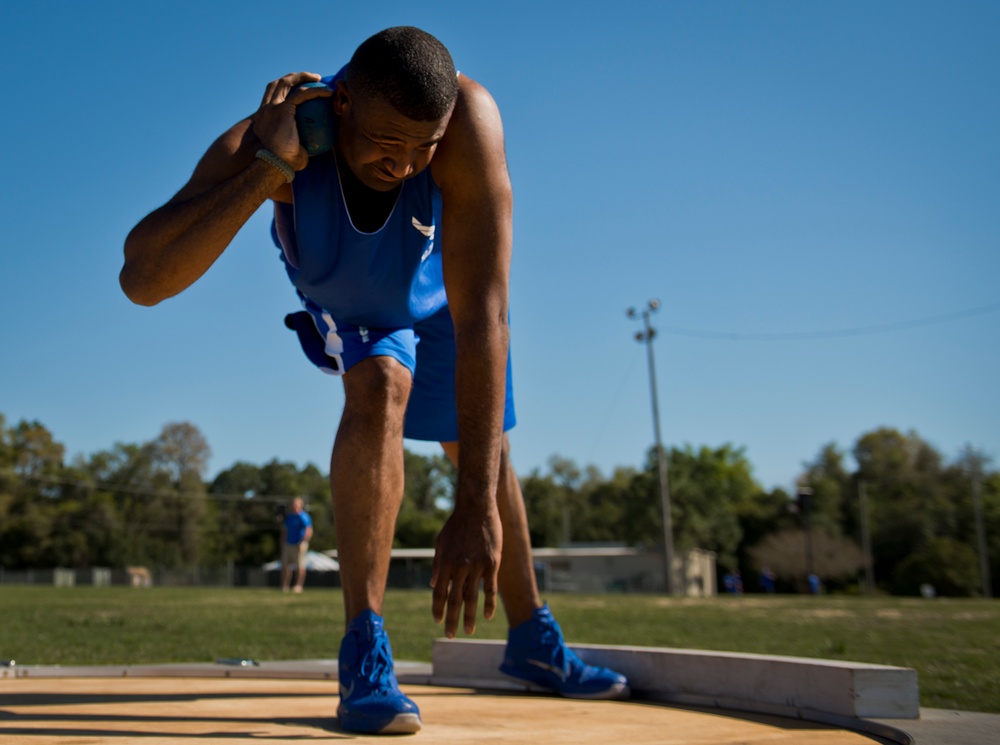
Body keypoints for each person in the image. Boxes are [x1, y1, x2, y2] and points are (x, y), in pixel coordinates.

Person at [120, 26, 628, 735]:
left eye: (424, 147)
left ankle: (533, 640)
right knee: (380, 381)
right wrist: (269, 167)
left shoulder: (468, 121)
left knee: (483, 453)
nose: (406, 162)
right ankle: (366, 649)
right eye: (389, 141)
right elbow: (142, 279)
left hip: (444, 293)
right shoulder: (286, 125)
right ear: (345, 103)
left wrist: (474, 499)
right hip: (349, 289)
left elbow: (486, 317)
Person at [281, 497, 313, 593]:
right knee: (285, 566)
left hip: (299, 544)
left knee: (300, 566)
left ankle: (298, 586)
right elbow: (285, 530)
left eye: (296, 504)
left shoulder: (303, 516)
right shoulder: (289, 517)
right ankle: (284, 586)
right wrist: (283, 542)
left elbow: (309, 530)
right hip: (288, 544)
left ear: (300, 505)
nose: (293, 506)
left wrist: (303, 541)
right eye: (292, 504)